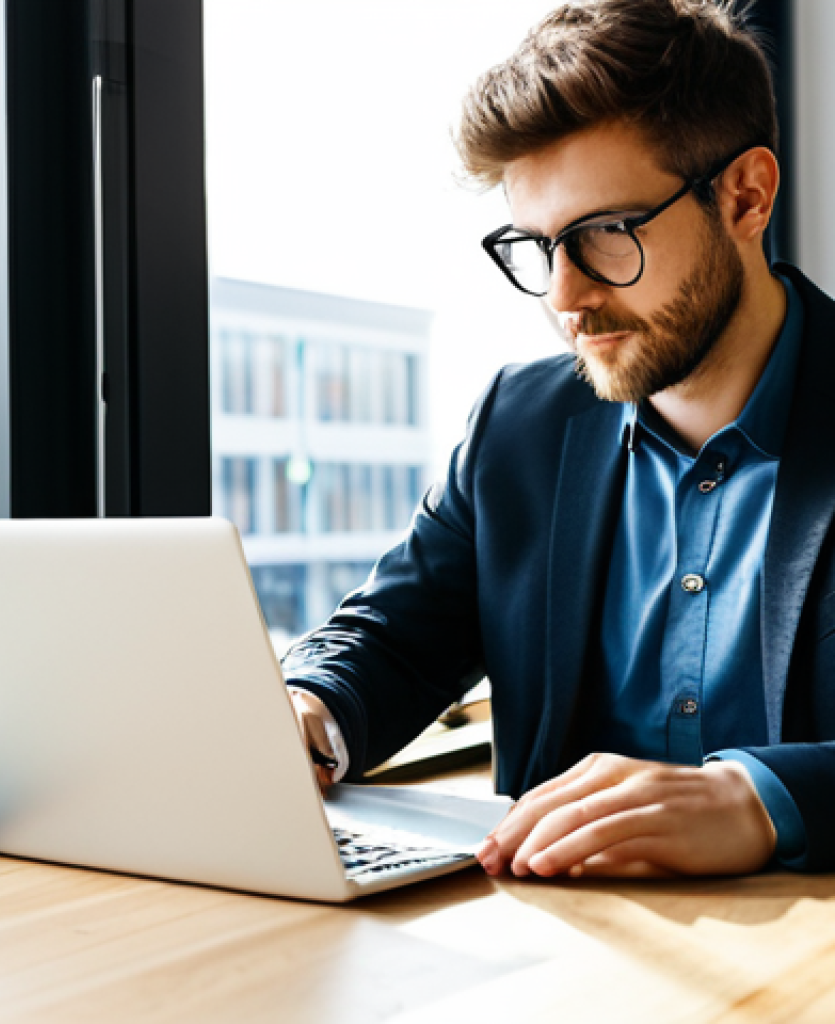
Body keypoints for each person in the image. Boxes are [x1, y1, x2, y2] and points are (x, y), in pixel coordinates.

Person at [283, 0, 835, 879]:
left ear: (746, 196)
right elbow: (394, 635)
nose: (566, 299)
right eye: (539, 247)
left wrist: (765, 798)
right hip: (561, 951)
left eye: (606, 235)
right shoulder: (520, 425)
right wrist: (311, 706)